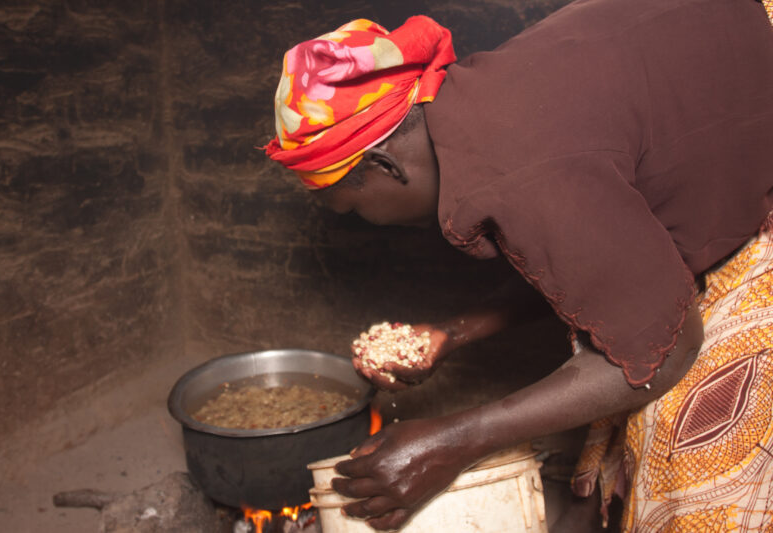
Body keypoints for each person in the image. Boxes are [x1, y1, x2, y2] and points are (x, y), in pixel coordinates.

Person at [265, 0, 773, 530]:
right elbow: (586, 253)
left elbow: (666, 350)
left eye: (354, 208)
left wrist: (455, 442)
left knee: (682, 444)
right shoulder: (480, 105)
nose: (368, 223)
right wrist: (452, 333)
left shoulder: (521, 171)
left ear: (383, 164)